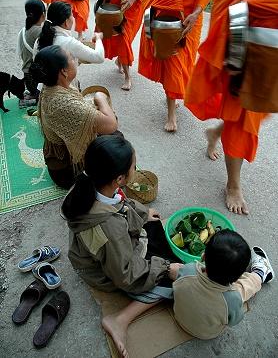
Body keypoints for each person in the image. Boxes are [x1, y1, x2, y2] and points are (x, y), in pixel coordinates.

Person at [61, 134, 182, 354]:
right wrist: (166, 269)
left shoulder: (90, 182)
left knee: (154, 228)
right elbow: (125, 275)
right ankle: (119, 320)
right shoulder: (111, 228)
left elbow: (119, 202)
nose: (136, 169)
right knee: (178, 284)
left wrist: (142, 213)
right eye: (134, 166)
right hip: (106, 272)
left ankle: (162, 266)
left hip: (112, 250)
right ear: (119, 178)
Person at [185, 0, 278, 214]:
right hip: (248, 34)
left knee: (261, 107)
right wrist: (232, 46)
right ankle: (233, 185)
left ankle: (216, 131)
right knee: (243, 113)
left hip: (273, 45)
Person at [102, 229, 274, 357]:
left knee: (180, 283)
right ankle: (260, 273)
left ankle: (260, 272)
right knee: (245, 288)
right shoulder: (232, 299)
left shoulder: (189, 270)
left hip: (180, 316)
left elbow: (177, 273)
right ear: (238, 276)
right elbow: (234, 320)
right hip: (207, 333)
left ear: (203, 257)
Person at [138, 0, 218, 132]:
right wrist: (149, 7)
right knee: (171, 61)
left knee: (183, 63)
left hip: (190, 16)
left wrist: (198, 11)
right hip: (163, 15)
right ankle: (171, 113)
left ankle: (172, 97)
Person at [31, 45, 118, 188]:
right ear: (64, 71)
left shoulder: (52, 87)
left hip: (61, 160)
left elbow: (80, 108)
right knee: (117, 141)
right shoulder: (61, 102)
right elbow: (111, 124)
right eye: (71, 58)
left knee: (105, 129)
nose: (75, 59)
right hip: (67, 172)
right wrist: (100, 97)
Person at [100, 0, 151, 90]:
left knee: (129, 36)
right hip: (116, 4)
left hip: (135, 4)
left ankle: (120, 60)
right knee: (123, 37)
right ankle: (128, 77)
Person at [34, 1, 104, 71]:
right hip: (63, 81)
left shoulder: (40, 39)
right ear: (66, 22)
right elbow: (99, 57)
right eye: (72, 15)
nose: (73, 18)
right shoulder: (69, 42)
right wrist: (98, 38)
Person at [17, 0, 46, 104]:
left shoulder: (24, 30)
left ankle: (33, 94)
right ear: (43, 14)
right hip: (36, 81)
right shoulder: (40, 31)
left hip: (28, 79)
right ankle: (36, 97)